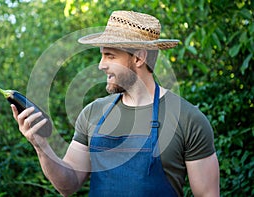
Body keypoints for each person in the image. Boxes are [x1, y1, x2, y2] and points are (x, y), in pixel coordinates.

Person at [11, 10, 220, 197]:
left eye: (110, 56)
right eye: (101, 55)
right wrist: (41, 146)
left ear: (139, 58)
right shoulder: (93, 112)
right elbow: (68, 184)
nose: (101, 65)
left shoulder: (187, 118)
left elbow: (208, 194)